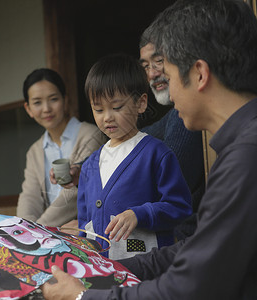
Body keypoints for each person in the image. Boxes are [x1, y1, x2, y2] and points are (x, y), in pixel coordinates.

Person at [41, 0, 257, 299]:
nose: (169, 92)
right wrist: (108, 268)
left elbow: (188, 288)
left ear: (199, 74)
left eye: (170, 77)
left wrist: (83, 296)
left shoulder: (253, 157)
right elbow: (196, 250)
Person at [76, 53, 192, 261]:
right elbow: (85, 224)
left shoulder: (156, 153)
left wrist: (140, 214)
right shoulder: (90, 165)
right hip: (102, 271)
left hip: (146, 269)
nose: (107, 117)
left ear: (141, 103)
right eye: (98, 109)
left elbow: (180, 206)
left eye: (117, 107)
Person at [16, 68, 107, 227]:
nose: (46, 109)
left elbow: (73, 195)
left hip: (87, 229)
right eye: (37, 102)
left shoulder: (91, 135)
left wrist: (39, 230)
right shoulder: (34, 151)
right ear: (28, 109)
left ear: (65, 100)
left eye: (53, 99)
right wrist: (22, 230)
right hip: (52, 234)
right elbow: (30, 196)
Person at [139, 29, 205, 214]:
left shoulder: (187, 112)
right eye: (145, 66)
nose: (152, 74)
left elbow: (164, 186)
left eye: (159, 61)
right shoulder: (176, 113)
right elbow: (140, 138)